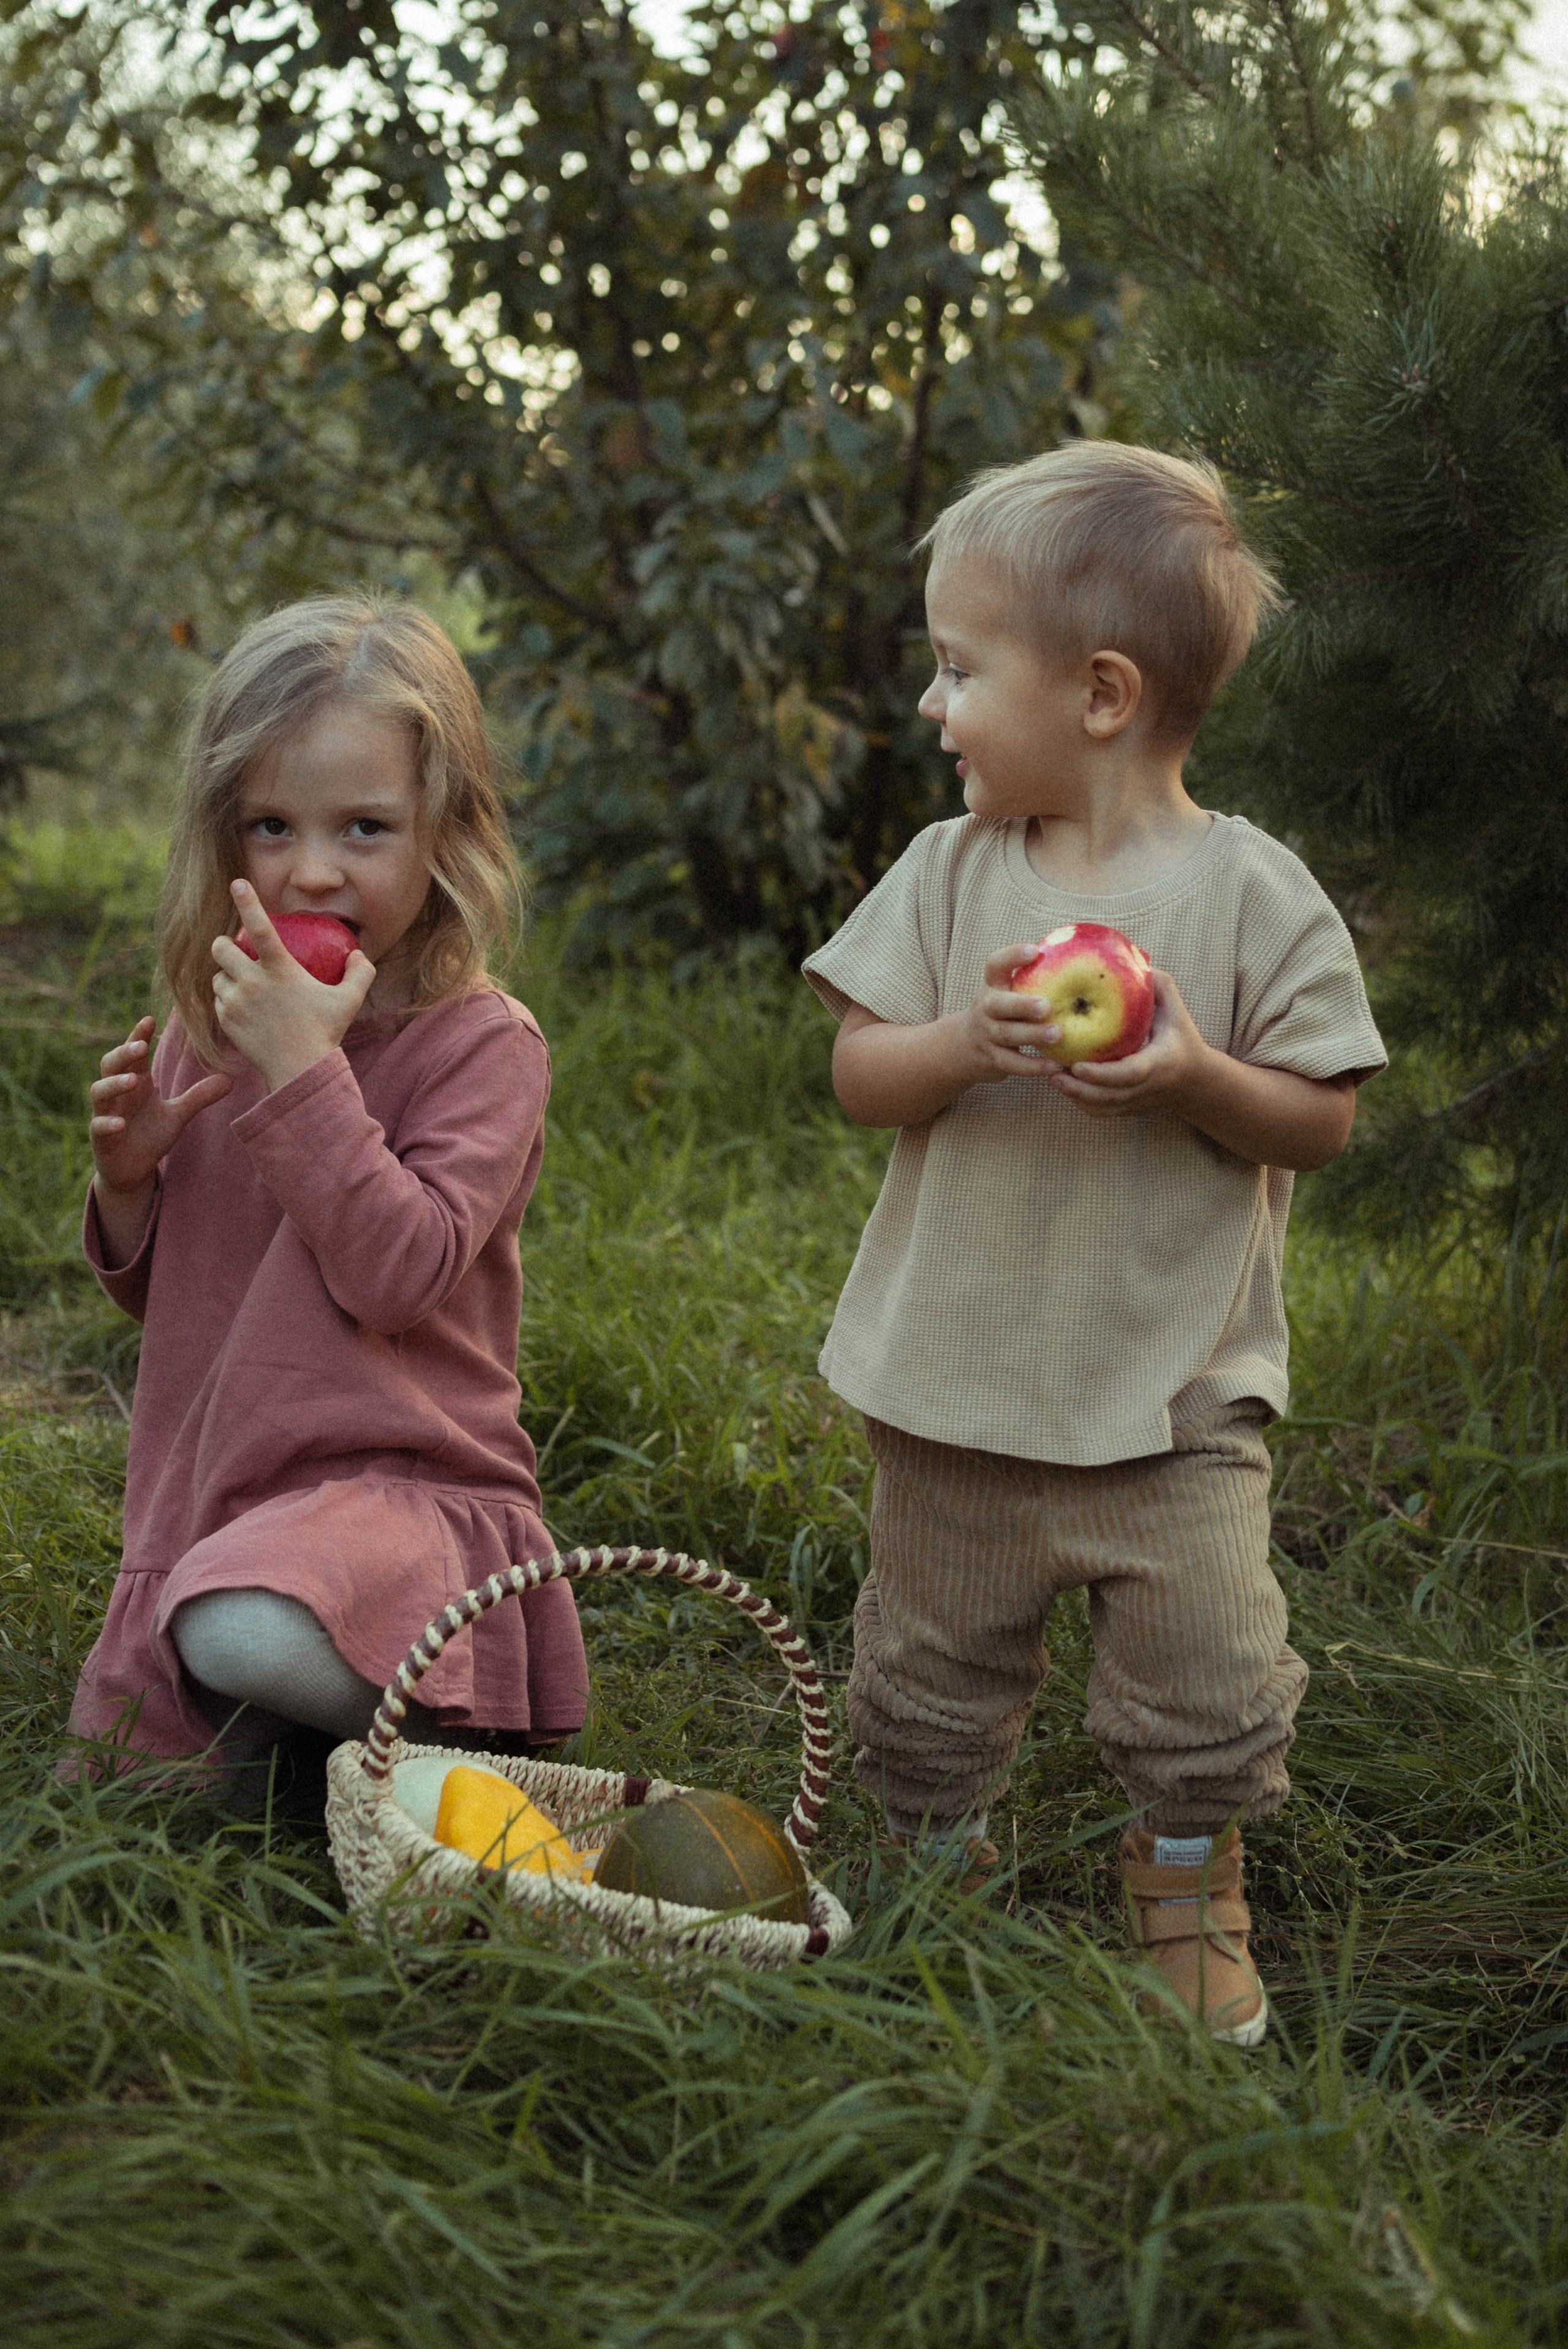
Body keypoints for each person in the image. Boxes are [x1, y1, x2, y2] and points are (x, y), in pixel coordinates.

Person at [802, 444, 1385, 2044]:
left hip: (1173, 1409)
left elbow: (1321, 1117)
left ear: (1104, 694)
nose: (935, 706)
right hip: (957, 1389)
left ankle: (1188, 1886)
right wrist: (965, 1047)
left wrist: (1193, 1071)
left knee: (1207, 1683)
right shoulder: (950, 876)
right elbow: (860, 1073)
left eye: (961, 668)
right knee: (923, 1676)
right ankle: (925, 1865)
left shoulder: (1259, 898)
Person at [69, 596, 587, 1798]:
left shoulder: (482, 1049)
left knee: (238, 1634)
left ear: (442, 832)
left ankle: (450, 1714)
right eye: (270, 825)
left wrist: (306, 1070)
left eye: (363, 827)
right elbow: (172, 1303)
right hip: (222, 1489)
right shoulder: (218, 1029)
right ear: (224, 836)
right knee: (141, 1787)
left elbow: (395, 1275)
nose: (310, 868)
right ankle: (329, 1742)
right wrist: (130, 1187)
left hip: (396, 1491)